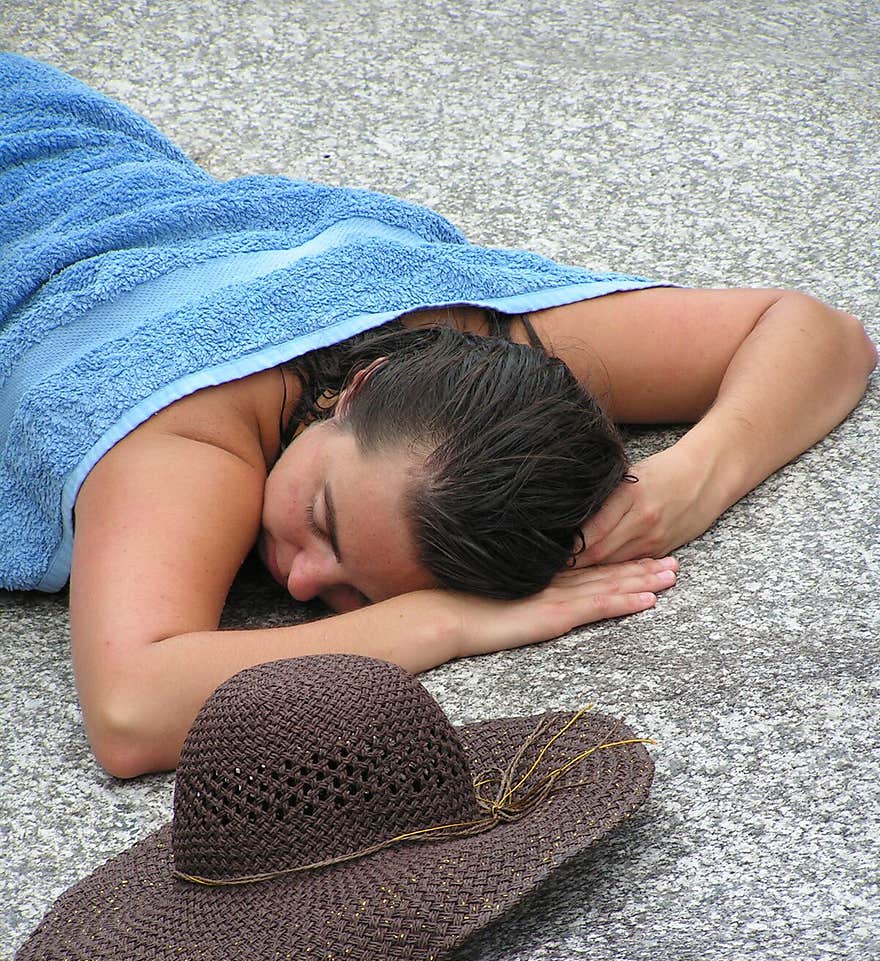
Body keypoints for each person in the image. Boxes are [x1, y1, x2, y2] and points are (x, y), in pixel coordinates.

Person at [2, 54, 876, 780]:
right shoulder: (187, 433)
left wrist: (696, 467)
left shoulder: (483, 350)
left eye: (354, 592)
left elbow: (819, 333)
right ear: (362, 385)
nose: (301, 582)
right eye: (322, 519)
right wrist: (448, 623)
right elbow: (131, 710)